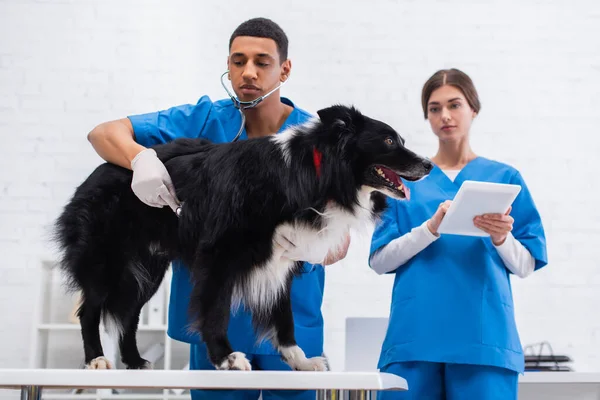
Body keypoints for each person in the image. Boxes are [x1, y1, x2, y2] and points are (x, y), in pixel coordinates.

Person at [87, 17, 349, 400]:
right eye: (238, 61)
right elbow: (103, 133)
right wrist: (141, 159)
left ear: (285, 69)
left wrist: (318, 248)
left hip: (288, 312)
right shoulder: (205, 119)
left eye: (262, 62)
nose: (248, 73)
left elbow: (341, 238)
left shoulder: (316, 138)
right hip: (214, 313)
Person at [368, 68, 548, 399]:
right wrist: (430, 229)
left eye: (455, 105)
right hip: (414, 339)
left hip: (483, 340)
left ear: (473, 109)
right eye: (435, 108)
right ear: (427, 116)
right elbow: (379, 260)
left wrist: (501, 238)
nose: (445, 116)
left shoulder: (505, 178)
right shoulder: (403, 181)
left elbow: (525, 266)